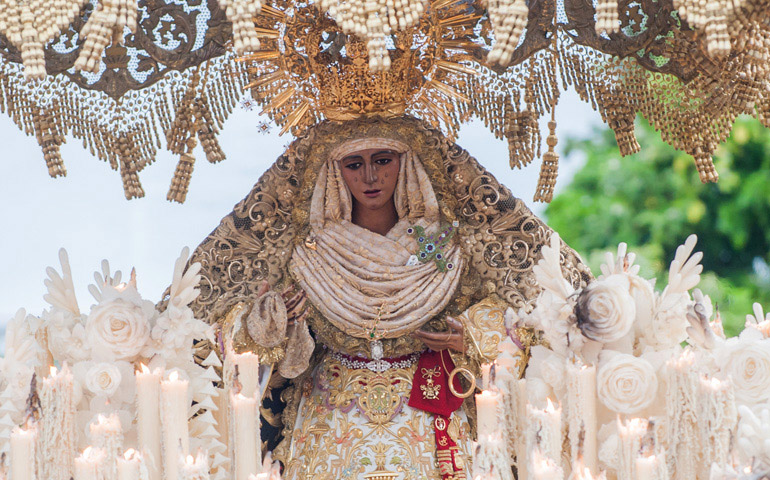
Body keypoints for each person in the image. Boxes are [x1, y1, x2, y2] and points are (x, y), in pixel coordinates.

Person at [183, 115, 590, 480]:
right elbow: (243, 342)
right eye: (354, 164)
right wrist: (270, 324)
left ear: (406, 162)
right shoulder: (309, 252)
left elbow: (521, 317)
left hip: (429, 413)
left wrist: (472, 337)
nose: (370, 176)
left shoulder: (446, 245)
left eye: (382, 160)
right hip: (330, 420)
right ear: (334, 171)